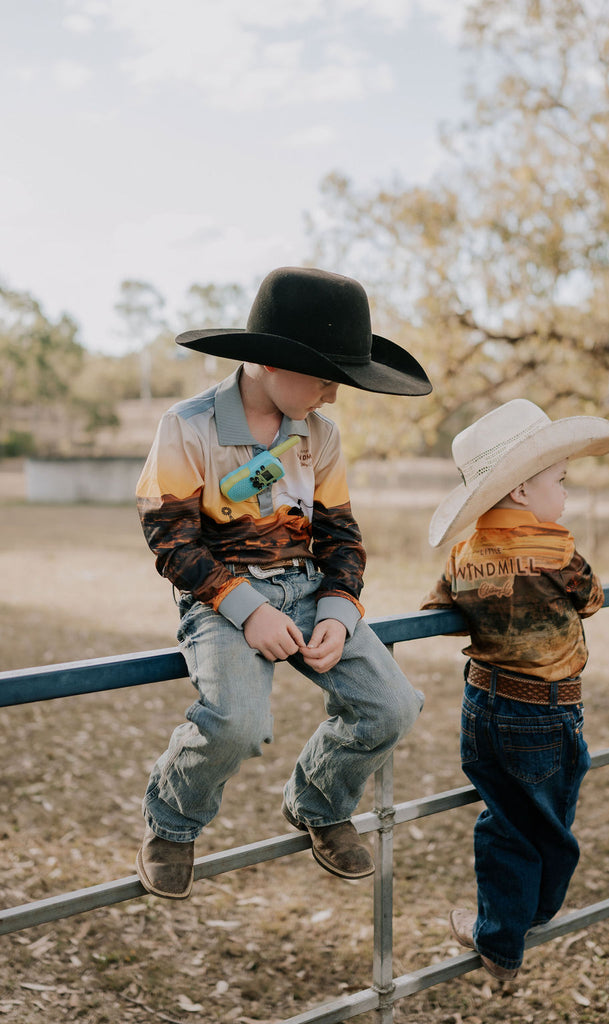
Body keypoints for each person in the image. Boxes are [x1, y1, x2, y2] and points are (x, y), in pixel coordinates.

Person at [135, 265, 431, 899]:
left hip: (307, 588)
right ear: (270, 363)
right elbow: (171, 538)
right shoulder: (187, 429)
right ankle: (172, 822)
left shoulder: (320, 437)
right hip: (222, 598)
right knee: (237, 723)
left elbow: (341, 536)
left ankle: (319, 803)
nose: (332, 395)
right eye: (326, 378)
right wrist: (247, 610)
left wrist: (337, 611)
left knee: (393, 706)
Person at [421, 399, 609, 980]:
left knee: (505, 814)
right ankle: (506, 937)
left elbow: (440, 602)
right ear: (520, 492)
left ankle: (509, 921)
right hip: (542, 712)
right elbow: (592, 599)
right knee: (538, 821)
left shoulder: (463, 554)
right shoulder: (559, 551)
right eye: (558, 482)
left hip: (481, 704)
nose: (564, 495)